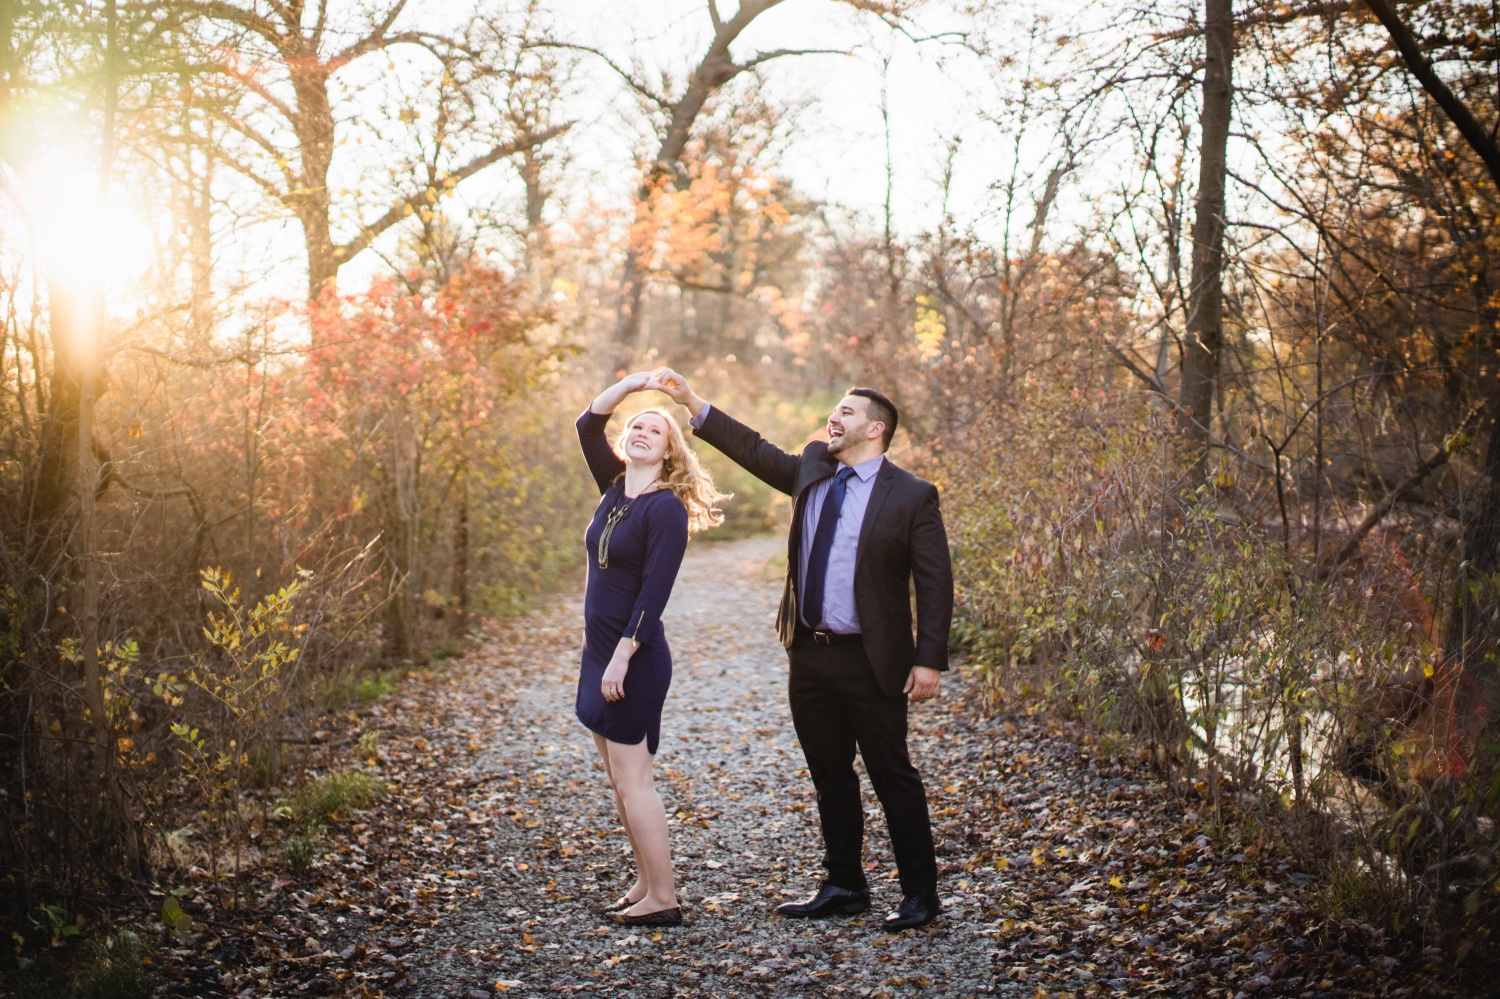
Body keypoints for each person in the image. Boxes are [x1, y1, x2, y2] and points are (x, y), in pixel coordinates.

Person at [652, 368, 953, 932]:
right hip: (809, 654)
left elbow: (935, 583)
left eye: (846, 413)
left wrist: (929, 659)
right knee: (829, 774)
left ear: (876, 429)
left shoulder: (912, 495)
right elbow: (752, 449)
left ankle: (920, 894)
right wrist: (691, 401)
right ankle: (844, 885)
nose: (833, 419)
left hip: (873, 659)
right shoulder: (812, 469)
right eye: (834, 410)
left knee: (892, 774)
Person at [575, 372, 729, 928]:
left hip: (633, 658)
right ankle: (644, 882)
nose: (642, 432)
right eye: (636, 426)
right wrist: (635, 384)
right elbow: (587, 423)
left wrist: (622, 656)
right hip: (600, 654)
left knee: (634, 779)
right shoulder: (615, 487)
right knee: (619, 780)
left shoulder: (664, 509)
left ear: (669, 452)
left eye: (655, 430)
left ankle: (664, 896)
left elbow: (654, 593)